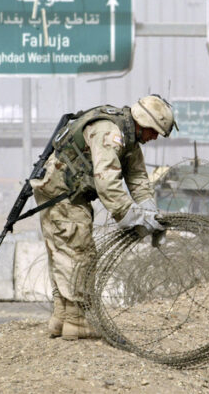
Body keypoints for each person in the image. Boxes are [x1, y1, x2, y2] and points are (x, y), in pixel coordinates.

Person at [30, 95, 177, 341]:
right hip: (61, 195)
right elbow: (107, 180)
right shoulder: (111, 133)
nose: (154, 138)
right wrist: (130, 216)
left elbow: (138, 179)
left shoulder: (128, 139)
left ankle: (62, 318)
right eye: (154, 132)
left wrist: (149, 213)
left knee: (65, 251)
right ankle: (76, 321)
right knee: (79, 253)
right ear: (142, 123)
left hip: (66, 193)